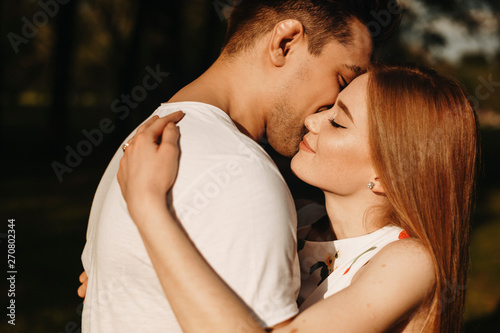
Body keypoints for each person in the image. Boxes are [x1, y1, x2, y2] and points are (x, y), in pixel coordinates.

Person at [79, 1, 401, 332]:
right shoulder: (241, 170)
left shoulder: (142, 141)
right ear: (284, 43)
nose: (333, 106)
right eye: (342, 78)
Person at [115, 64, 480, 332]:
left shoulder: (409, 262)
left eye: (338, 123)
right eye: (328, 108)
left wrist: (148, 207)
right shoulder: (300, 222)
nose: (312, 121)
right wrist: (135, 275)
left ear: (385, 175)